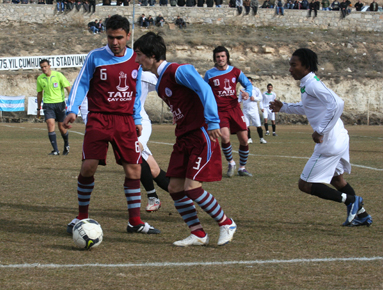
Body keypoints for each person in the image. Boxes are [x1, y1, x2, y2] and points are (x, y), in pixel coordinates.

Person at [134, 32, 237, 247]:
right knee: (174, 187)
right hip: (183, 137)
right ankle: (198, 234)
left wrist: (212, 121)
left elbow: (204, 88)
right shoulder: (160, 81)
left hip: (201, 133)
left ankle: (226, 223)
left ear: (152, 56)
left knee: (192, 188)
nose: (137, 59)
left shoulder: (178, 70)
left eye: (140, 55)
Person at [64, 15, 160, 235]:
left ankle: (134, 222)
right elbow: (81, 84)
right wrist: (72, 109)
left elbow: (136, 92)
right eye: (110, 37)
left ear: (128, 35)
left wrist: (136, 118)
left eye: (118, 38)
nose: (114, 42)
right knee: (88, 167)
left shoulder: (136, 58)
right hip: (99, 117)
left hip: (125, 120)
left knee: (134, 170)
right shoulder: (95, 57)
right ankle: (81, 217)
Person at [269, 48, 372, 227]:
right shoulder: (308, 83)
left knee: (305, 185)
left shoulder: (312, 85)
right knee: (336, 179)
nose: (290, 69)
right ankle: (362, 216)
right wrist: (284, 107)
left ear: (306, 66)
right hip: (338, 137)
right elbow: (308, 108)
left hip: (330, 141)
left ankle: (351, 201)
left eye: (294, 65)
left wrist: (320, 131)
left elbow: (338, 103)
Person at [79, 72, 169, 213]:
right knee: (154, 170)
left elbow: (167, 86)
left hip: (139, 122)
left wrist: (176, 106)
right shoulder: (102, 76)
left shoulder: (142, 75)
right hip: (119, 124)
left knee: (136, 155)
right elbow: (84, 99)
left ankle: (153, 197)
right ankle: (183, 197)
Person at [204, 46, 253, 177]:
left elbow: (248, 85)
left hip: (234, 109)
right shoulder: (209, 74)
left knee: (244, 139)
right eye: (218, 57)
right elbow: (204, 92)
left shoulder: (236, 71)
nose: (220, 59)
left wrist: (247, 93)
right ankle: (231, 163)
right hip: (219, 111)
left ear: (227, 57)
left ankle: (242, 168)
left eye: (222, 56)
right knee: (225, 137)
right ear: (214, 58)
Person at [36, 59, 71, 156]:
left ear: (49, 66)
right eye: (42, 67)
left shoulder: (58, 75)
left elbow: (68, 88)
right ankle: (55, 150)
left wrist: (71, 102)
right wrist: (38, 108)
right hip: (48, 104)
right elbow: (39, 94)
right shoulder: (40, 79)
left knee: (61, 127)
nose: (43, 69)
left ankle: (66, 144)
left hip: (60, 104)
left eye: (45, 66)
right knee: (50, 124)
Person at [238, 77, 267, 144]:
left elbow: (260, 98)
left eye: (249, 81)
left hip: (254, 110)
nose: (248, 82)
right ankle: (249, 139)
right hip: (245, 110)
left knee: (258, 125)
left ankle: (261, 138)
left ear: (252, 82)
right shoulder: (242, 90)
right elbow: (239, 100)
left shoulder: (255, 89)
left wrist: (254, 98)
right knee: (246, 126)